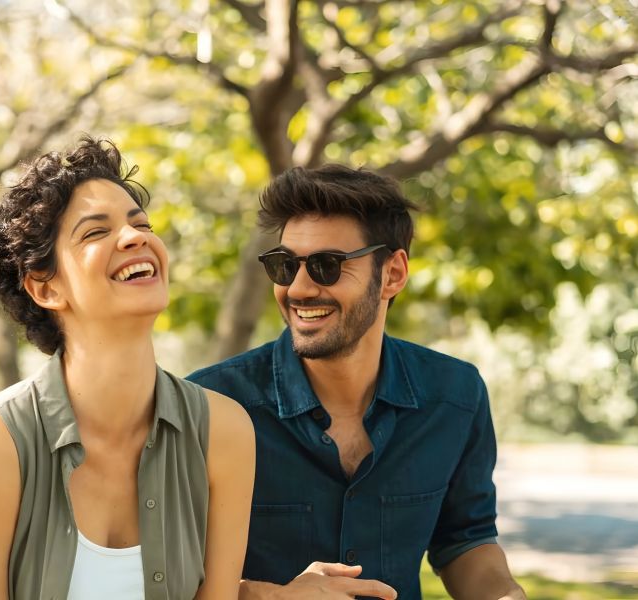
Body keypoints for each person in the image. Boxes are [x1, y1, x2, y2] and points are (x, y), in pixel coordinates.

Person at [0, 137, 255, 599]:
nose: (136, 237)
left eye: (140, 223)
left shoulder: (223, 433)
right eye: (96, 232)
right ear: (45, 289)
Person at [188, 164, 525, 600]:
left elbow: (465, 540)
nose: (299, 289)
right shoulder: (210, 406)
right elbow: (160, 573)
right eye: (285, 265)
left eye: (328, 266)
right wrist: (270, 596)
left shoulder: (456, 397)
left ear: (393, 274)